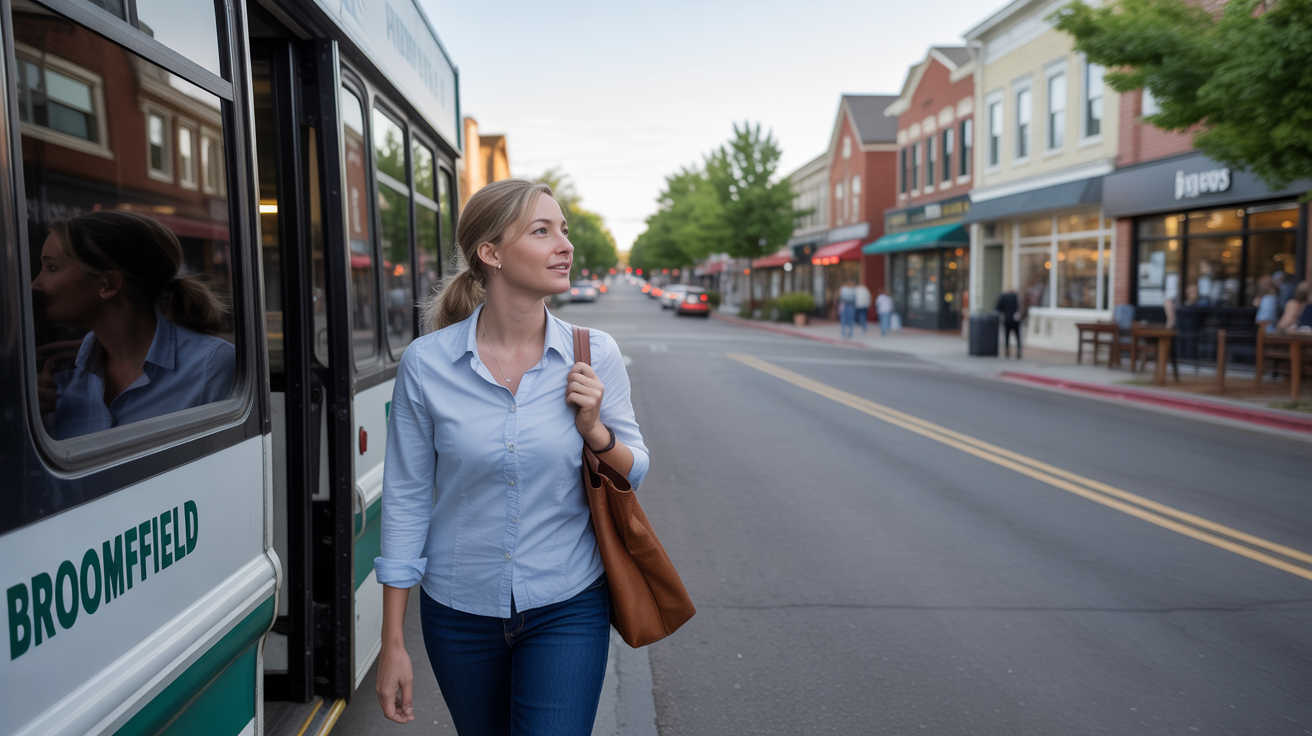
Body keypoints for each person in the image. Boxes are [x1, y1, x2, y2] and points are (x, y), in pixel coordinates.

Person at [373, 179, 649, 734]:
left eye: (564, 230)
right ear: (491, 253)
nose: (565, 245)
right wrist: (392, 643)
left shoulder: (595, 355)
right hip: (457, 614)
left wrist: (594, 430)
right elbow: (405, 500)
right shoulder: (427, 366)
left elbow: (634, 470)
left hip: (568, 603)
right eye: (542, 231)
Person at [30, 210, 234, 440]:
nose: (35, 284)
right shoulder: (57, 374)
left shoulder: (211, 367)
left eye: (52, 268)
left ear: (108, 284)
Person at [995, 290, 1024, 359]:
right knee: (1017, 336)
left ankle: (1007, 350)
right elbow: (1021, 307)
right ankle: (1019, 351)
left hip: (1007, 319)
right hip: (1016, 320)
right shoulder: (1017, 297)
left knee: (1007, 335)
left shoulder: (1004, 297)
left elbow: (998, 307)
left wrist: (1004, 314)